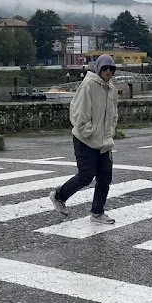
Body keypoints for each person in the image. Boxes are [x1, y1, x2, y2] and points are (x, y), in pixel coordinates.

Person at [48, 54, 119, 224]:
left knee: (105, 177)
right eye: (105, 68)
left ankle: (97, 212)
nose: (108, 71)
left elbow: (114, 113)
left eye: (111, 68)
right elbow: (77, 112)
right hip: (85, 140)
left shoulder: (112, 89)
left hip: (105, 141)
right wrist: (89, 131)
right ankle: (58, 196)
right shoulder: (88, 85)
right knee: (86, 176)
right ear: (98, 68)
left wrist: (110, 131)